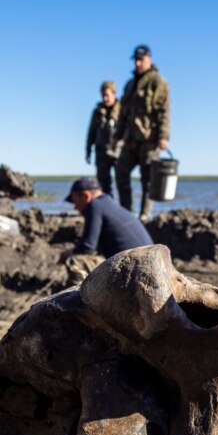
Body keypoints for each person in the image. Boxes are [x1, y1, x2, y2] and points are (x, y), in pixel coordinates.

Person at [58, 176, 153, 285]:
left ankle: (81, 299)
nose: (75, 207)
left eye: (75, 201)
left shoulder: (94, 205)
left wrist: (66, 254)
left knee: (75, 261)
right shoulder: (108, 204)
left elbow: (87, 247)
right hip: (146, 266)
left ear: (85, 196)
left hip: (134, 271)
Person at [115, 44, 171, 222]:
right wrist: (117, 136)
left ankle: (145, 215)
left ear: (149, 59)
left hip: (149, 139)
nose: (138, 63)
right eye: (136, 60)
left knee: (148, 179)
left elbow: (164, 111)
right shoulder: (130, 84)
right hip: (131, 138)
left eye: (142, 60)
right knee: (120, 172)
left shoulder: (157, 81)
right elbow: (123, 113)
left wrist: (163, 136)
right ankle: (126, 212)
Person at [84, 80, 121, 196]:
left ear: (114, 94)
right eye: (103, 95)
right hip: (101, 152)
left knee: (122, 182)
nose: (105, 98)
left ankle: (124, 211)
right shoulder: (97, 112)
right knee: (103, 184)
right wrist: (88, 150)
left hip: (118, 151)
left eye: (107, 95)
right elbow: (91, 131)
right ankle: (107, 209)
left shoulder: (122, 110)